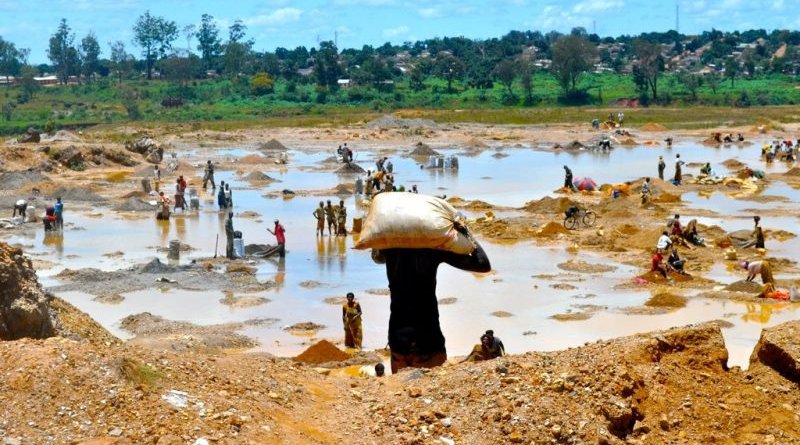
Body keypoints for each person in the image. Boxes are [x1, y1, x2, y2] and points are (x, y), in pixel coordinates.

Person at [371, 230, 491, 373]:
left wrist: (382, 234)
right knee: (430, 392)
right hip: (428, 342)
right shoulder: (433, 249)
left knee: (402, 392)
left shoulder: (390, 250)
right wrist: (464, 231)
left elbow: (376, 256)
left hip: (398, 344)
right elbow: (482, 264)